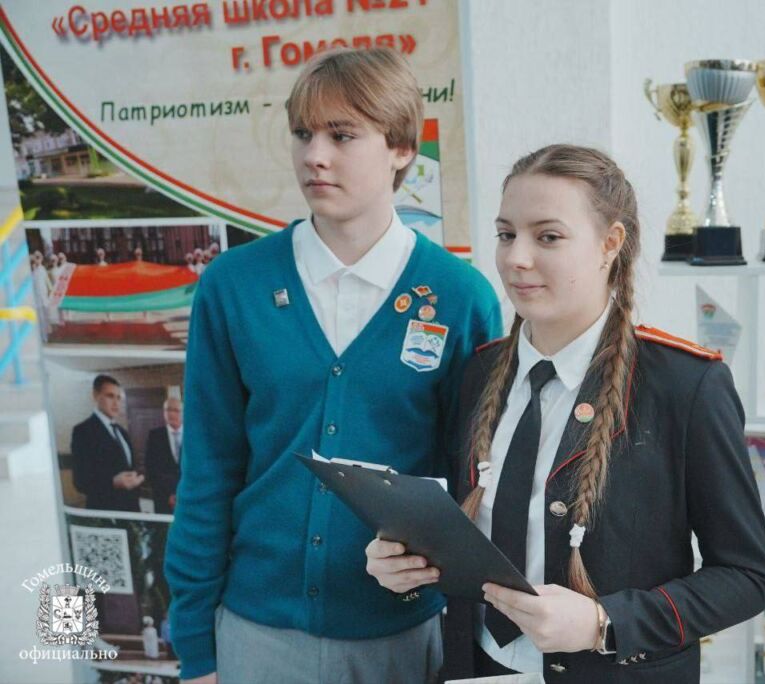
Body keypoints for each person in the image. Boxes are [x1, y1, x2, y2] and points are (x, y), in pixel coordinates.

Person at [367, 144, 765, 682]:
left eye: (548, 237)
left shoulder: (685, 385)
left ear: (610, 244)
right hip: (476, 667)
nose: (516, 258)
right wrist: (404, 564)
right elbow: (459, 530)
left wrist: (604, 623)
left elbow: (746, 577)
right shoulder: (478, 374)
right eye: (506, 234)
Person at [164, 46, 502, 684]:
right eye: (303, 134)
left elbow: (473, 488)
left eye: (342, 136)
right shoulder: (234, 285)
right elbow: (208, 470)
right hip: (257, 632)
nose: (315, 156)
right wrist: (197, 649)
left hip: (401, 633)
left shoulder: (461, 297)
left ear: (402, 147)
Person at [70, 374, 144, 512]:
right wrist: (113, 482)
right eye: (110, 396)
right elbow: (80, 482)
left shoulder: (122, 432)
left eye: (118, 398)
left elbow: (128, 467)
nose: (116, 403)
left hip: (131, 511)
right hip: (104, 512)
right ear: (95, 396)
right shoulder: (83, 431)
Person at [145, 397, 183, 515]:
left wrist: (182, 494)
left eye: (176, 410)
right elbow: (151, 469)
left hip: (188, 496)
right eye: (168, 410)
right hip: (163, 499)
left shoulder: (192, 435)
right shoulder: (155, 436)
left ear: (183, 413)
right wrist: (169, 494)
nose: (171, 414)